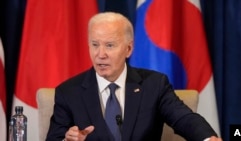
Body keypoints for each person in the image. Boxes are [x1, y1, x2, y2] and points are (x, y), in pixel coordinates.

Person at [46, 12, 222, 141]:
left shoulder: (154, 84)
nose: (100, 54)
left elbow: (183, 118)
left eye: (109, 45)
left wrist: (207, 138)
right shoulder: (69, 92)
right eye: (94, 45)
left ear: (128, 49)